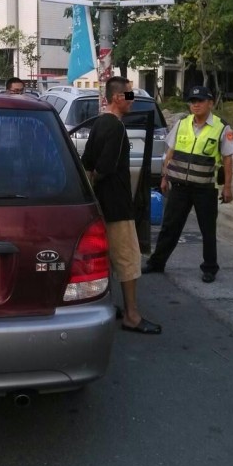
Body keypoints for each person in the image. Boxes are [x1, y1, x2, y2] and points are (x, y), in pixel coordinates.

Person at [81, 76, 162, 335]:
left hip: (101, 205)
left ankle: (108, 305)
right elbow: (104, 167)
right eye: (129, 95)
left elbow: (88, 163)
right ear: (117, 98)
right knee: (128, 260)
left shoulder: (99, 124)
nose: (133, 100)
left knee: (105, 259)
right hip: (116, 205)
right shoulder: (116, 128)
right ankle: (132, 315)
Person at [143, 85, 233, 282]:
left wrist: (227, 187)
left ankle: (210, 268)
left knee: (207, 230)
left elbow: (228, 158)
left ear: (210, 103)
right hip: (179, 186)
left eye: (200, 101)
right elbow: (171, 151)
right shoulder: (182, 123)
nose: (195, 105)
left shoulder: (222, 127)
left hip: (205, 188)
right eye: (192, 102)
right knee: (170, 227)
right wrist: (164, 176)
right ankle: (157, 262)